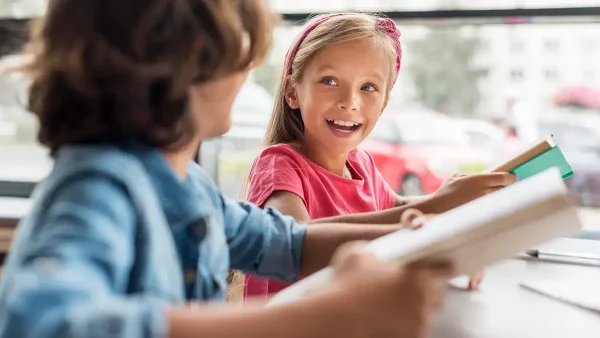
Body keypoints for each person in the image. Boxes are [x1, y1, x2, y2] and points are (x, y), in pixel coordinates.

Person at [0, 2, 457, 338]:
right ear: (182, 69)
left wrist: (438, 228)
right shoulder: (99, 188)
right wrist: (326, 316)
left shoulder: (187, 185)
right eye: (240, 51)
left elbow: (287, 242)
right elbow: (44, 322)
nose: (248, 69)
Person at [241, 13, 516, 300]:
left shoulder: (361, 164)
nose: (350, 102)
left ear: (383, 104)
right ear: (291, 91)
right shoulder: (279, 165)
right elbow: (295, 240)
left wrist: (456, 204)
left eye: (368, 87)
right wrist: (439, 203)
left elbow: (397, 207)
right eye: (329, 81)